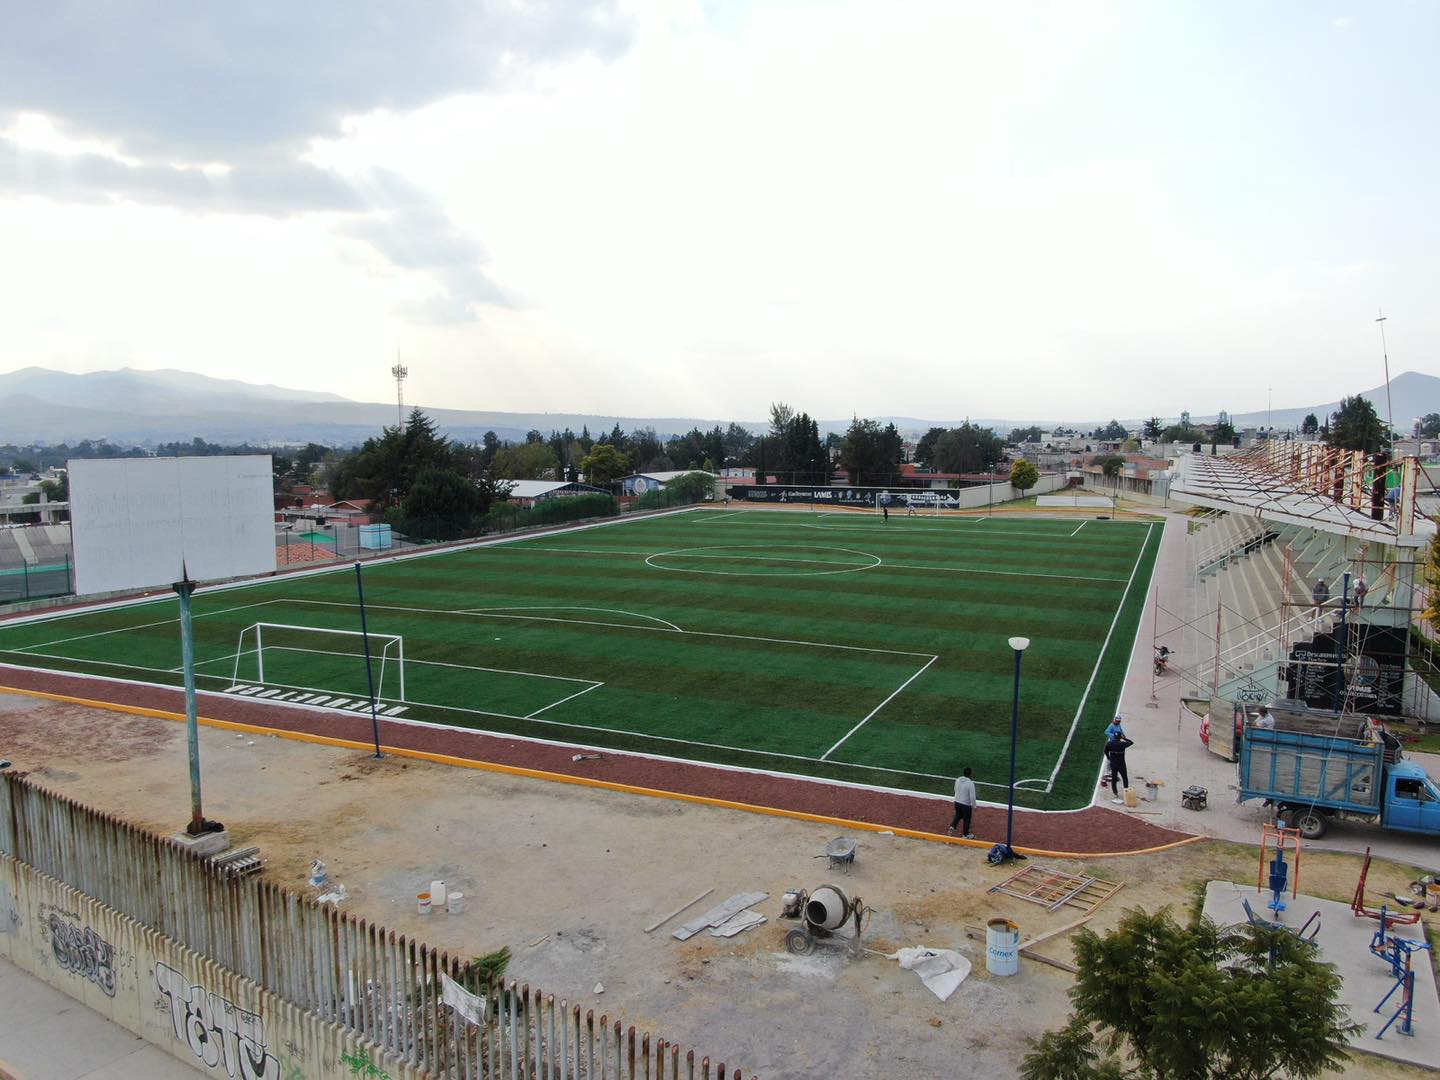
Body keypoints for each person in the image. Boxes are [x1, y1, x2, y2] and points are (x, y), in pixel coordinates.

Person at [1104, 733, 1134, 804]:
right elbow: (1131, 742)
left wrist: (1109, 758)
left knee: (1114, 778)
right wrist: (1124, 738)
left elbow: (1105, 751)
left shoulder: (1109, 744)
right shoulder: (1122, 744)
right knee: (1124, 778)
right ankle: (1125, 791)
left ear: (1114, 737)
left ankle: (1115, 792)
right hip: (1121, 763)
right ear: (1120, 737)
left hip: (1113, 763)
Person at [947, 767, 976, 838]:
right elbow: (972, 796)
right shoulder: (970, 783)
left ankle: (952, 827)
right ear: (970, 774)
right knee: (967, 819)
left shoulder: (958, 779)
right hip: (965, 804)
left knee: (958, 815)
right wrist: (974, 806)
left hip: (957, 802)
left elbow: (955, 789)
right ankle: (965, 834)